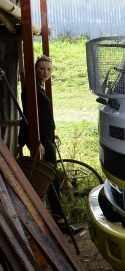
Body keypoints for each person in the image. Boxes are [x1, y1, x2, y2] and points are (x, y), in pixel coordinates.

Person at [19, 55, 81, 236]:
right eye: (42, 69)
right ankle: (59, 222)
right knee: (51, 179)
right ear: (35, 69)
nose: (45, 72)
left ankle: (58, 220)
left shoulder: (39, 86)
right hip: (42, 142)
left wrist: (50, 133)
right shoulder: (31, 88)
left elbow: (43, 116)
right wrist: (36, 140)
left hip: (46, 138)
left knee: (53, 179)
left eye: (48, 69)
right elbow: (29, 116)